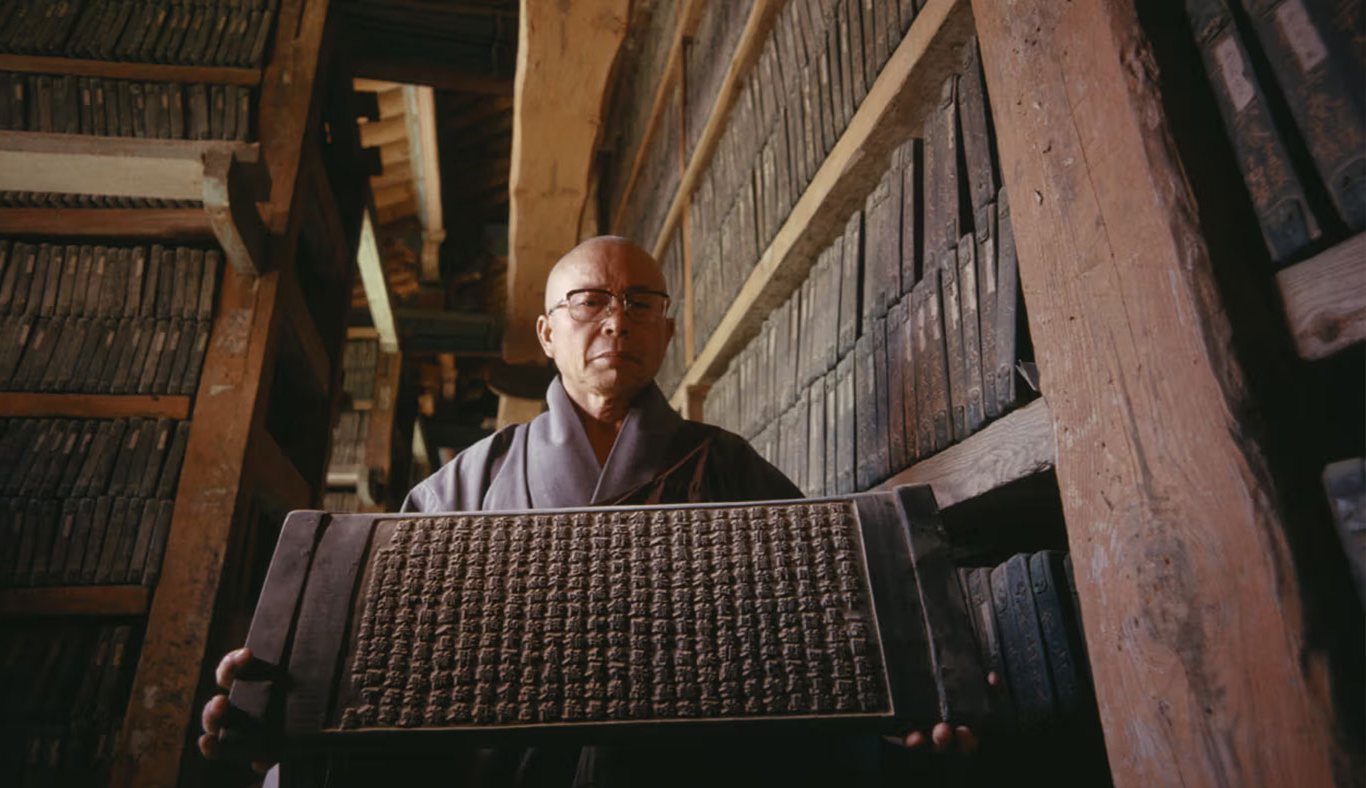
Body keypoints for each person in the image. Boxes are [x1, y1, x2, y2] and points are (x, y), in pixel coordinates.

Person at [200, 236, 980, 785]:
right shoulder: (460, 489)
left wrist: (906, 705)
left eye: (641, 302)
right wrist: (286, 705)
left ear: (666, 332)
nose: (617, 319)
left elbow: (825, 633)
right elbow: (379, 673)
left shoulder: (729, 467)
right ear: (547, 332)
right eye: (590, 301)